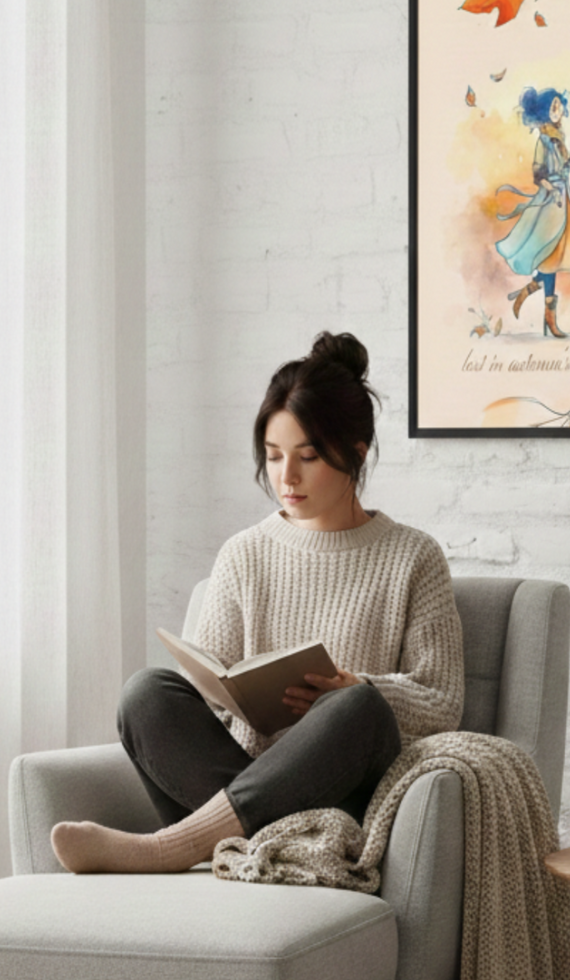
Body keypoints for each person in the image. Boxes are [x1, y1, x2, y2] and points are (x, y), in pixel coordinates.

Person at [50, 332, 465, 875]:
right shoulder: (244, 553)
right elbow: (208, 693)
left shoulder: (413, 556)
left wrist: (356, 686)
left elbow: (442, 702)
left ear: (356, 453)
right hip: (243, 774)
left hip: (345, 790)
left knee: (357, 709)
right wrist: (231, 691)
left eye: (308, 457)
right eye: (273, 457)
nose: (285, 477)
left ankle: (170, 847)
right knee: (145, 694)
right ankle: (257, 842)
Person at [494, 86, 570, 338]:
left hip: (563, 201)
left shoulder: (558, 137)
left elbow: (563, 171)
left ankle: (535, 300)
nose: (559, 109)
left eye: (559, 105)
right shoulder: (543, 140)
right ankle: (548, 319)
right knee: (550, 256)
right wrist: (550, 189)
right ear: (544, 112)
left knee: (555, 256)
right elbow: (538, 175)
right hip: (549, 203)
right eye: (553, 106)